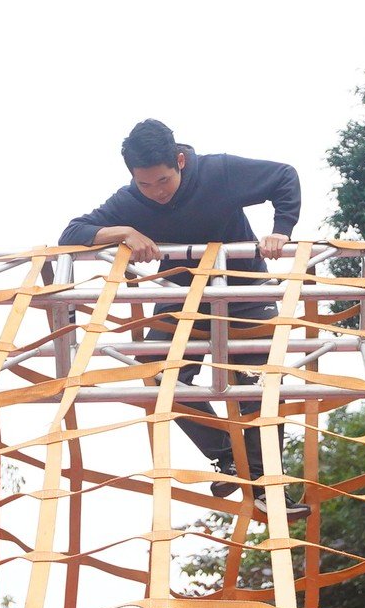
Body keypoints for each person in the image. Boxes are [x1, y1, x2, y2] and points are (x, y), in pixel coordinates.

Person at [59, 120, 308, 524]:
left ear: (180, 161)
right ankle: (229, 457)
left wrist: (281, 231)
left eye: (162, 181)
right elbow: (71, 233)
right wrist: (123, 231)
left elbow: (284, 177)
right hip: (181, 301)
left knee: (259, 382)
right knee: (158, 376)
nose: (156, 193)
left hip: (241, 291)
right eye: (145, 185)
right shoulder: (131, 202)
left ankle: (267, 486)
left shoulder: (218, 172)